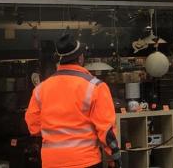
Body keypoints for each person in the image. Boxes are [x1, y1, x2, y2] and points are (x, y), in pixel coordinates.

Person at [25, 35, 121, 168]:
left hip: (51, 162)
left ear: (60, 59)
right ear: (80, 57)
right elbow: (106, 129)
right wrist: (114, 155)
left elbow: (33, 127)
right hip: (85, 161)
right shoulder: (96, 87)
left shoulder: (40, 89)